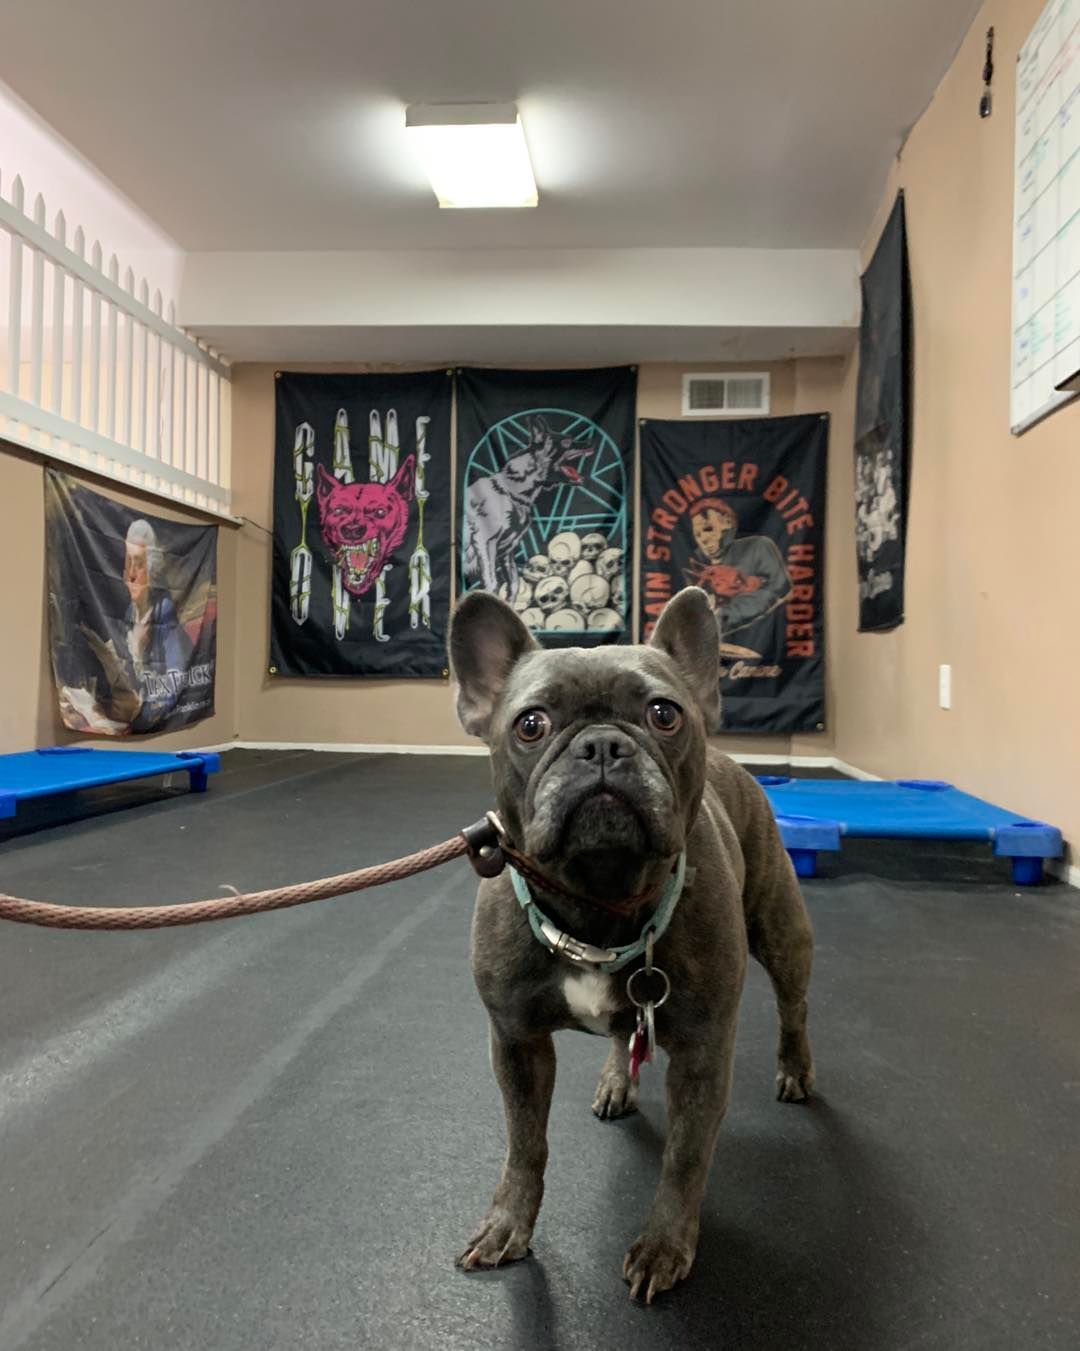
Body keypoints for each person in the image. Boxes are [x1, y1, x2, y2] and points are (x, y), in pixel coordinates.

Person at [76, 520, 193, 731]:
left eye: (139, 563)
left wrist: (138, 717)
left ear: (152, 569)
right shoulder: (129, 614)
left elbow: (176, 683)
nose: (131, 573)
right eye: (128, 562)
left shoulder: (163, 614)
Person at [682, 497, 792, 637]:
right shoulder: (695, 563)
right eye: (697, 535)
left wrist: (722, 618)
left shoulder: (758, 547)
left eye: (708, 529)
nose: (703, 539)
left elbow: (780, 589)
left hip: (763, 641)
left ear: (728, 523)